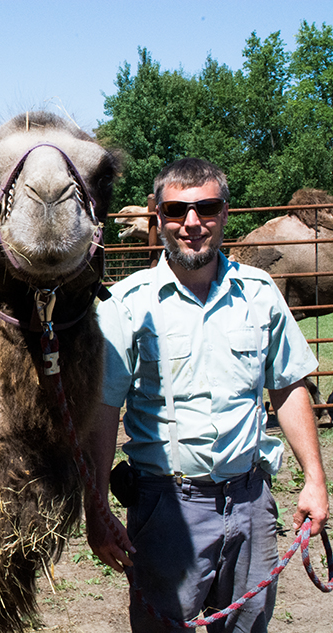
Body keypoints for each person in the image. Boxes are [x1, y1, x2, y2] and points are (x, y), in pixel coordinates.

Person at [85, 158, 329, 632]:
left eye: (207, 208)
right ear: (158, 215)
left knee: (247, 625)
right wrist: (96, 508)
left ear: (224, 212)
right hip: (166, 506)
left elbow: (287, 384)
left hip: (251, 499)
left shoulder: (260, 294)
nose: (192, 223)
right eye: (177, 210)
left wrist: (315, 480)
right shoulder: (127, 306)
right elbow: (102, 412)